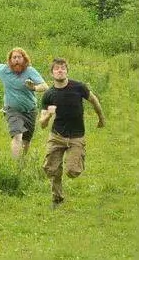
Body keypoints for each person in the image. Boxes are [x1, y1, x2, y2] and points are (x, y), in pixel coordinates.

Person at [37, 58, 106, 207]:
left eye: (62, 68)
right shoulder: (49, 94)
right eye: (56, 68)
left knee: (72, 171)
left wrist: (101, 118)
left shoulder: (79, 87)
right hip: (56, 136)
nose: (60, 70)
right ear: (52, 73)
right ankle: (57, 199)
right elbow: (42, 124)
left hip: (76, 136)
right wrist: (48, 115)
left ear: (67, 71)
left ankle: (78, 157)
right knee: (52, 169)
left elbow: (94, 101)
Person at [0, 47, 48, 162]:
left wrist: (34, 87)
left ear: (24, 59)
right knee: (17, 135)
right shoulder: (4, 70)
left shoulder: (30, 71)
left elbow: (45, 86)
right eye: (14, 57)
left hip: (30, 110)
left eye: (19, 57)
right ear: (10, 60)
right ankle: (15, 166)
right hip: (12, 109)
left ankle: (21, 163)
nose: (17, 60)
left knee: (26, 140)